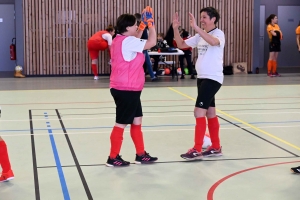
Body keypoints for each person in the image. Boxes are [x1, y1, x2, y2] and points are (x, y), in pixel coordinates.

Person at [106, 7, 158, 167]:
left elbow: (137, 37)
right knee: (121, 123)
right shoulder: (128, 41)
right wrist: (150, 24)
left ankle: (141, 154)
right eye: (135, 25)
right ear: (128, 27)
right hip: (126, 89)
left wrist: (142, 25)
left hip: (128, 88)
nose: (137, 27)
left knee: (137, 120)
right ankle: (112, 157)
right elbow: (152, 42)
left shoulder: (120, 39)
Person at [172, 7, 225, 160]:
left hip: (212, 78)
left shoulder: (218, 34)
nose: (201, 20)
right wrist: (175, 29)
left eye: (204, 17)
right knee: (210, 112)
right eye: (200, 17)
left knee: (198, 112)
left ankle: (196, 149)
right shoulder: (199, 36)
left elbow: (213, 42)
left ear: (213, 19)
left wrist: (196, 28)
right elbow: (181, 44)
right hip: (202, 78)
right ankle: (215, 146)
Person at [134, 13, 157, 81]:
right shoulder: (141, 28)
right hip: (141, 46)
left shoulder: (140, 28)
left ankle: (151, 76)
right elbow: (146, 38)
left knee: (145, 62)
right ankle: (152, 76)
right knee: (146, 62)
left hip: (140, 46)